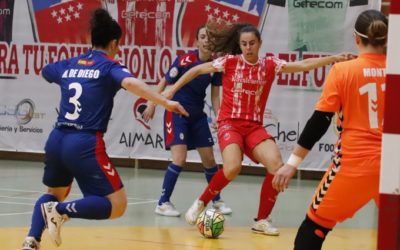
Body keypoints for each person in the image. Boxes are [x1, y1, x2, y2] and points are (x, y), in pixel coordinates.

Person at [21, 8, 188, 250]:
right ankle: (58, 211)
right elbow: (130, 83)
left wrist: (70, 72)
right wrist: (166, 102)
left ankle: (31, 240)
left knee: (55, 192)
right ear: (113, 43)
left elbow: (46, 71)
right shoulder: (109, 66)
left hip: (57, 139)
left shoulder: (70, 63)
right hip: (83, 142)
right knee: (117, 204)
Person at [162, 23, 350, 235]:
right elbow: (196, 70)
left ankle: (261, 220)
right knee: (232, 167)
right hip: (230, 124)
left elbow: (304, 65)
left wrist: (333, 59)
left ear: (260, 43)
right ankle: (202, 201)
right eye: (243, 44)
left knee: (276, 166)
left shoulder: (270, 65)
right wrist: (172, 90)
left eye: (252, 43)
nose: (248, 48)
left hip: (253, 127)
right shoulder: (229, 62)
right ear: (239, 45)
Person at [272, 10, 387, 249]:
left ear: (356, 39)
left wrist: (292, 163)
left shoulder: (344, 70)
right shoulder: (395, 71)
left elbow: (320, 120)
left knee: (314, 227)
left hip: (353, 165)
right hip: (392, 167)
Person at [142, 25, 232, 217]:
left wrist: (219, 117)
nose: (206, 40)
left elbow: (215, 96)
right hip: (176, 112)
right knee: (180, 158)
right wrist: (152, 103)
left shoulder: (215, 66)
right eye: (202, 37)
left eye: (210, 37)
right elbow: (165, 82)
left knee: (209, 160)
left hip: (197, 116)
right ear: (197, 42)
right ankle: (163, 203)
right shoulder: (185, 60)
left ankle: (216, 200)